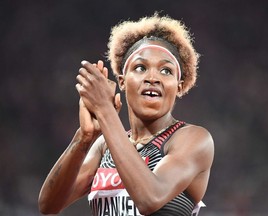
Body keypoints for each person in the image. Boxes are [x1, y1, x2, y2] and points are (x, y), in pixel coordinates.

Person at [38, 13, 214, 216]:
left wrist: (104, 110)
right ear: (122, 81)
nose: (152, 78)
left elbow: (150, 198)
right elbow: (48, 206)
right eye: (140, 67)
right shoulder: (104, 147)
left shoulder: (193, 139)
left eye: (166, 71)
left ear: (179, 86)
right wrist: (84, 137)